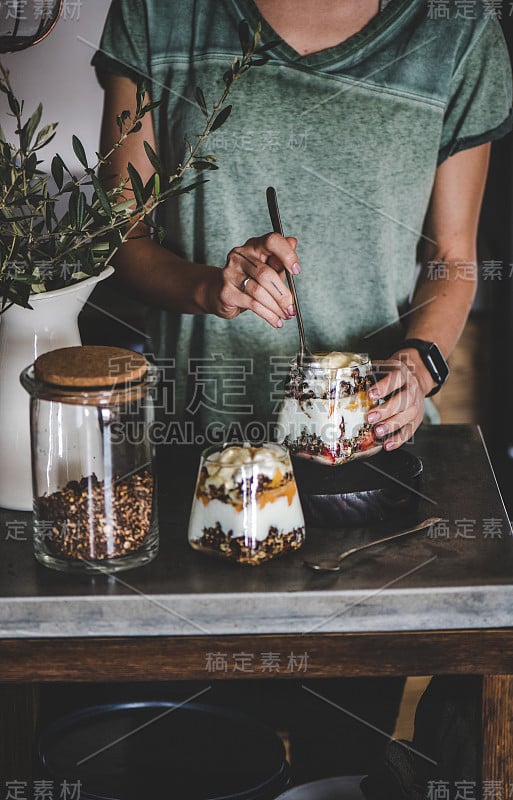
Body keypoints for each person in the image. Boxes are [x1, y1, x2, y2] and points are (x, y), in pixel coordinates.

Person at [90, 0, 513, 784]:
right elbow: (123, 236)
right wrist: (210, 286)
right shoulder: (159, 13)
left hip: (361, 484)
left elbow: (452, 257)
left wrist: (420, 359)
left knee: (338, 762)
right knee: (187, 762)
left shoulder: (456, 32)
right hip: (197, 466)